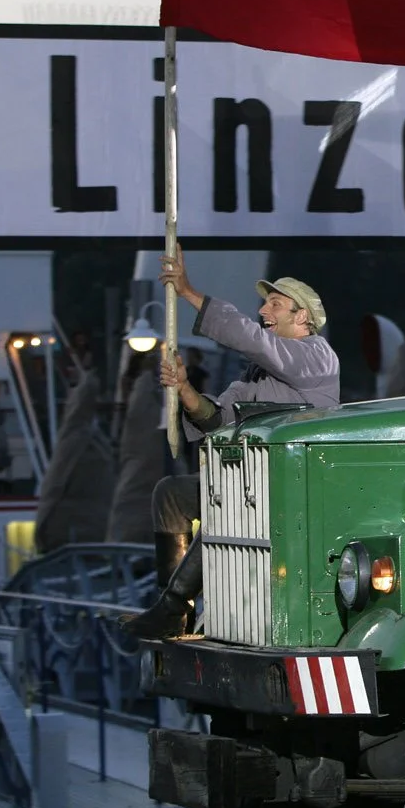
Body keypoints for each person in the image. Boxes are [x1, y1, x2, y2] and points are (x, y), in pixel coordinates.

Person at [120, 258, 340, 638]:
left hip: (296, 486)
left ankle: (171, 607)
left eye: (274, 304)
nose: (263, 311)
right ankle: (177, 611)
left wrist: (188, 293)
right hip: (251, 484)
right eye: (265, 303)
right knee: (171, 494)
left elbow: (252, 340)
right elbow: (217, 420)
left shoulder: (317, 355)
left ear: (302, 316)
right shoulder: (257, 374)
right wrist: (184, 388)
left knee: (227, 502)